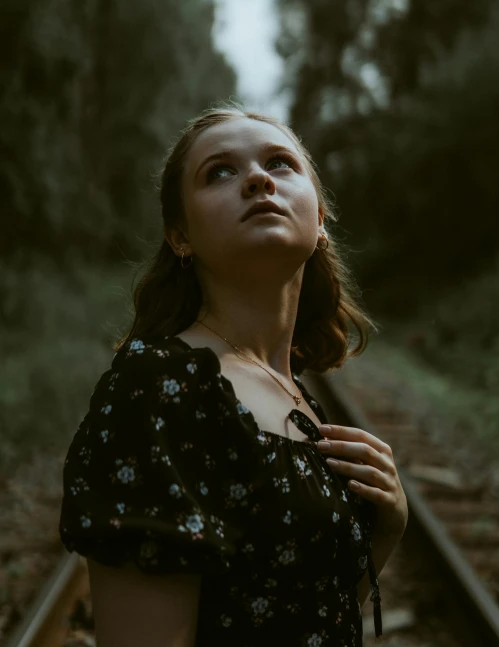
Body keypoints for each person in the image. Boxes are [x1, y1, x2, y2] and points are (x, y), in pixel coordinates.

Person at [59, 103, 408, 646]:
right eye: (219, 171)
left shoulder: (292, 391)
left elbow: (308, 617)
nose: (257, 179)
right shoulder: (160, 388)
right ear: (180, 236)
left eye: (281, 164)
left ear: (319, 221)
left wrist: (385, 532)